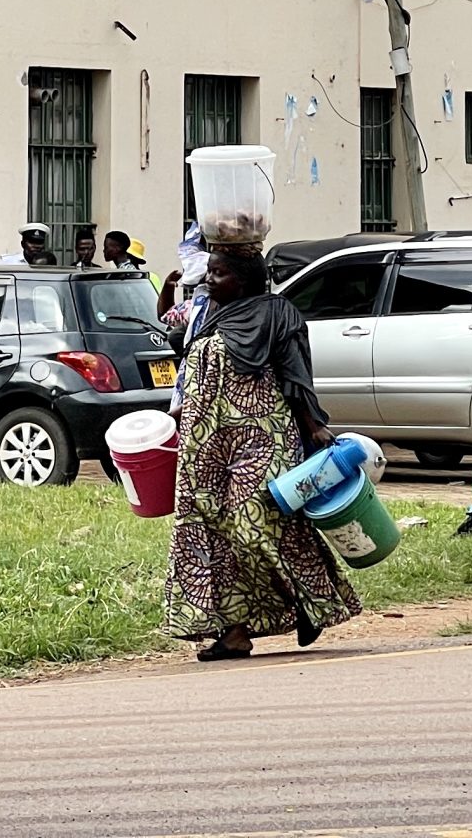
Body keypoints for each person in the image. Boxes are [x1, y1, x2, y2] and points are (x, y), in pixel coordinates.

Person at [162, 243, 362, 661]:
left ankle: (307, 602)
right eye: (210, 272)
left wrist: (314, 425)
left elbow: (295, 374)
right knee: (207, 528)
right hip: (205, 439)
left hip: (261, 433)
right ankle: (233, 633)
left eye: (219, 273)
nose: (209, 280)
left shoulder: (276, 313)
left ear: (246, 279)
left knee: (254, 522)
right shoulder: (209, 314)